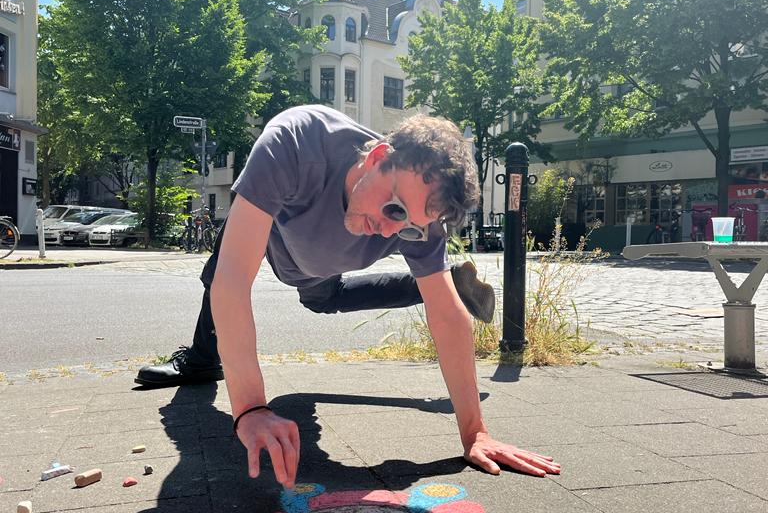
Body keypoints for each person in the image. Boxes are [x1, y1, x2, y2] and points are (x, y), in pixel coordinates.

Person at [135, 105, 560, 486]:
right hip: (272, 233)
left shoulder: (419, 215)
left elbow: (448, 319)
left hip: (317, 268)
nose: (393, 232)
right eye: (394, 211)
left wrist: (475, 432)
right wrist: (250, 408)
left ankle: (438, 281)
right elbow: (234, 281)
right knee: (218, 275)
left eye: (409, 228)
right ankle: (202, 361)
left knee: (322, 299)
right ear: (376, 158)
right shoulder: (297, 142)